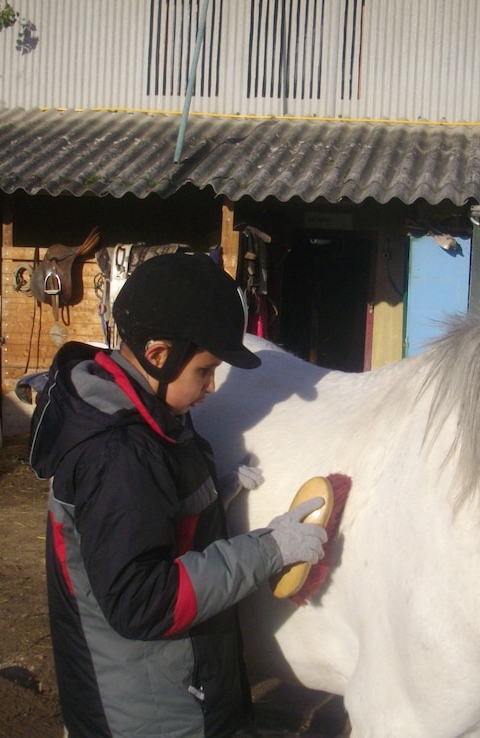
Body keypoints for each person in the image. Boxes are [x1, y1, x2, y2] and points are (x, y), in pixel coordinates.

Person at [28, 252, 328, 738]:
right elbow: (142, 601)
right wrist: (267, 550)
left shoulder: (146, 420)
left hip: (171, 695)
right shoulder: (118, 453)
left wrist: (214, 501)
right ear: (159, 355)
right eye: (205, 371)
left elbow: (148, 523)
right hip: (149, 717)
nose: (211, 388)